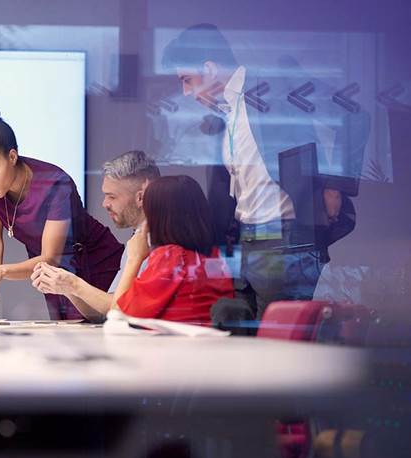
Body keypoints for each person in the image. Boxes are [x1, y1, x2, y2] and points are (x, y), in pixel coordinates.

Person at [163, 24, 357, 319]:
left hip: (285, 236)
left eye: (187, 80)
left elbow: (352, 114)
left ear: (210, 69)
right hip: (247, 240)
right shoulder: (224, 113)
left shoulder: (274, 88)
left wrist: (334, 186)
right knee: (244, 335)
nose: (186, 92)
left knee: (276, 336)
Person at [0, 105, 124, 320]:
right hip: (51, 272)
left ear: (12, 157)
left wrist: (3, 271)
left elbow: (50, 257)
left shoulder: (54, 183)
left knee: (103, 331)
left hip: (93, 261)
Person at [30, 150, 160, 322]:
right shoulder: (136, 242)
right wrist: (66, 288)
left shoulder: (160, 243)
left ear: (140, 197)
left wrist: (74, 284)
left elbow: (118, 310)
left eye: (112, 196)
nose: (105, 203)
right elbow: (105, 312)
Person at [112, 175, 234, 323]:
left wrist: (134, 259)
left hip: (175, 344)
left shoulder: (171, 258)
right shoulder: (214, 257)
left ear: (157, 218)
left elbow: (117, 315)